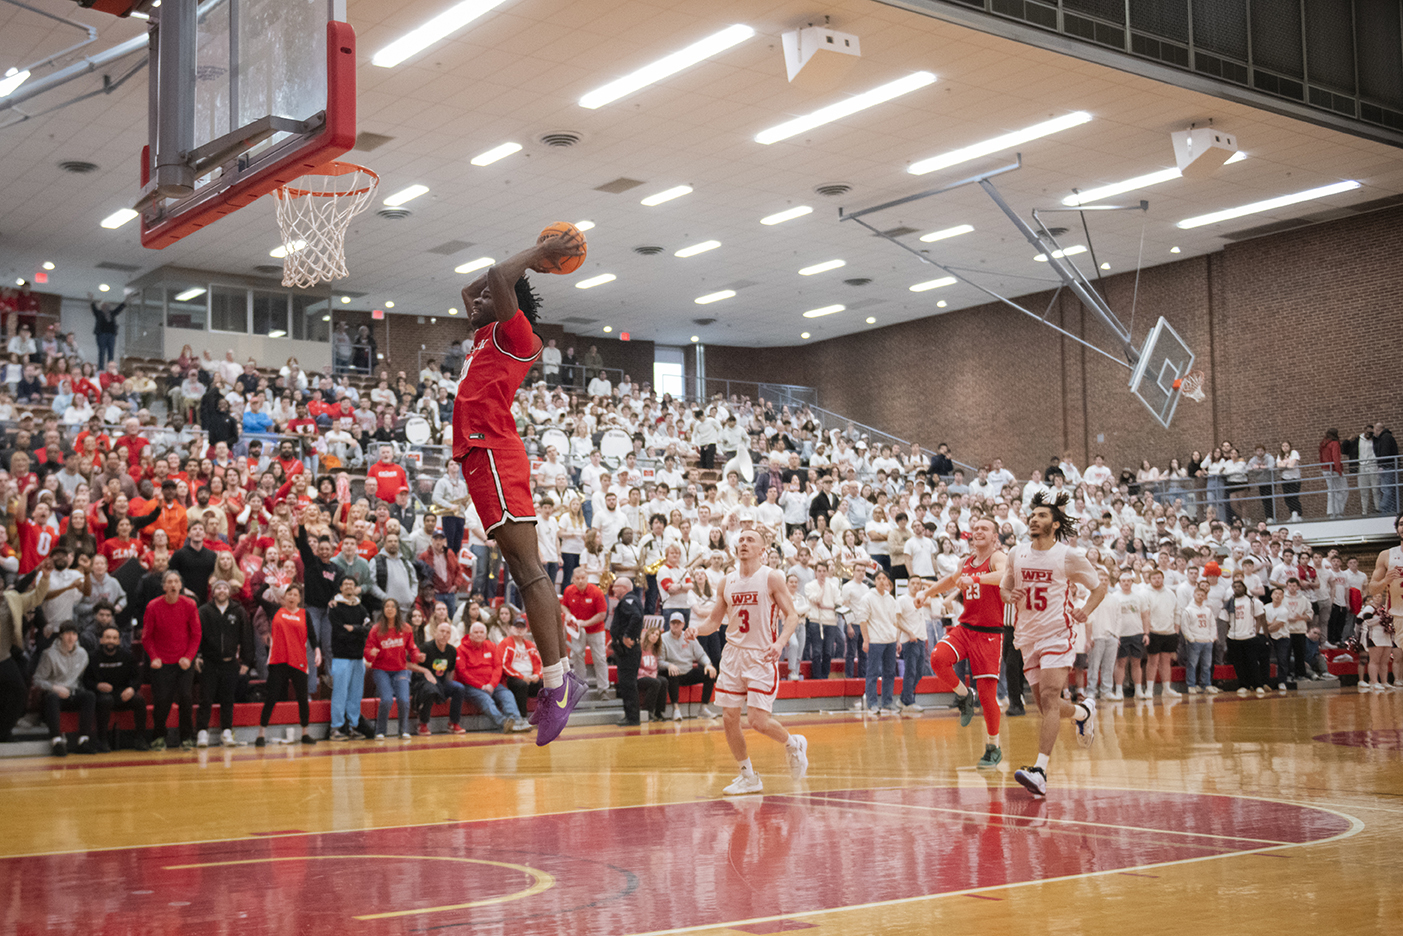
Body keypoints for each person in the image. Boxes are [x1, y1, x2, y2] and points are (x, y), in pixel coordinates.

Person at [451, 231, 586, 745]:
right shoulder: (485, 332)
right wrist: (492, 291)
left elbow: (496, 278)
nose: (477, 300)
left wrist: (541, 253)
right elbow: (475, 289)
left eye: (489, 298)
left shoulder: (518, 335)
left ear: (507, 304)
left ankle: (557, 684)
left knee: (530, 574)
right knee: (521, 571)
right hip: (480, 455)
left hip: (494, 451)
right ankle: (561, 679)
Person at [689, 528, 808, 795]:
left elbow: (792, 616)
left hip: (761, 654)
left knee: (757, 721)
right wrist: (696, 629)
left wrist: (779, 644)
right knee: (729, 717)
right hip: (732, 656)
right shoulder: (726, 581)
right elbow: (713, 621)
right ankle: (748, 776)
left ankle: (793, 743)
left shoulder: (771, 577)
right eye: (740, 539)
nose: (743, 543)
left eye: (750, 540)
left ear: (762, 550)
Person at [1001, 492, 1105, 798]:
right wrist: (1008, 595)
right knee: (1045, 705)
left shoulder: (1068, 556)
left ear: (1055, 524)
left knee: (1048, 694)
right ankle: (1083, 713)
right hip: (1027, 636)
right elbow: (1007, 583)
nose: (1035, 519)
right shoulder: (1016, 553)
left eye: (1042, 516)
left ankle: (1040, 771)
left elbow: (1098, 588)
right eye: (1032, 515)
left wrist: (1086, 610)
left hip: (1058, 632)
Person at [912, 516, 1008, 768]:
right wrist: (926, 592)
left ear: (994, 536)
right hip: (966, 628)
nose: (978, 531)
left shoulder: (997, 557)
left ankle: (993, 747)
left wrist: (975, 580)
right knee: (938, 658)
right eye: (975, 528)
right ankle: (965, 696)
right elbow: (953, 579)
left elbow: (1005, 575)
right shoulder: (965, 561)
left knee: (988, 697)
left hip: (990, 633)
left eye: (985, 528)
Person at [143, 569, 201, 751]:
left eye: (176, 581)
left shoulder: (190, 604)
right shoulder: (153, 606)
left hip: (183, 661)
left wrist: (189, 657)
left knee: (185, 698)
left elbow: (196, 635)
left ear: (181, 585)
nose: (173, 585)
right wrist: (154, 657)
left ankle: (187, 737)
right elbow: (146, 637)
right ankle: (159, 736)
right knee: (162, 701)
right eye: (169, 582)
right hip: (161, 662)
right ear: (164, 586)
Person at [255, 583, 318, 747]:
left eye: (295, 594)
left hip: (298, 660)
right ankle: (261, 734)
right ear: (284, 597)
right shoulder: (275, 610)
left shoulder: (305, 614)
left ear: (299, 599)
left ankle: (305, 733)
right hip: (278, 660)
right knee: (272, 697)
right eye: (289, 594)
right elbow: (257, 597)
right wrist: (267, 585)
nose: (292, 597)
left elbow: (312, 636)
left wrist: (317, 651)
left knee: (303, 698)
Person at [455, 620, 529, 732]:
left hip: (493, 684)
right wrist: (481, 686)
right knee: (486, 700)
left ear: (485, 635)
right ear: (470, 634)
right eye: (476, 632)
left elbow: (498, 667)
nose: (479, 634)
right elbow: (462, 672)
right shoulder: (461, 649)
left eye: (481, 632)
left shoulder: (491, 646)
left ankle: (516, 721)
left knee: (507, 695)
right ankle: (504, 723)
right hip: (472, 687)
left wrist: (491, 684)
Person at [35, 621, 95, 756]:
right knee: (52, 698)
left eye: (74, 634)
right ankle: (56, 740)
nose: (71, 637)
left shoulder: (83, 654)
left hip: (72, 693)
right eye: (67, 633)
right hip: (54, 695)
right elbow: (37, 680)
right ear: (61, 635)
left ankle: (84, 739)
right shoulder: (49, 654)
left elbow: (81, 678)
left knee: (89, 696)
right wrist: (54, 687)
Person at [87, 621, 145, 751]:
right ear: (101, 640)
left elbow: (137, 677)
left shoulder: (127, 656)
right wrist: (97, 685)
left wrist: (131, 689)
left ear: (119, 641)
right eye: (107, 637)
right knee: (106, 700)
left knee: (139, 700)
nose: (111, 641)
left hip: (122, 694)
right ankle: (102, 740)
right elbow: (86, 681)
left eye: (114, 638)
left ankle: (140, 739)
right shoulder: (93, 657)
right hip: (102, 696)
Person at [328, 574, 372, 740]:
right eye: (345, 584)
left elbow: (368, 629)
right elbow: (339, 633)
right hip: (341, 657)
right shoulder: (334, 608)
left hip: (358, 658)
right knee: (339, 694)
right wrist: (358, 631)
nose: (348, 587)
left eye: (351, 584)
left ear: (355, 588)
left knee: (356, 694)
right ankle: (336, 728)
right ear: (340, 588)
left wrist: (353, 629)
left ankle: (353, 727)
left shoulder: (361, 608)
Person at [660, 611, 718, 719]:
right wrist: (669, 665)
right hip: (673, 672)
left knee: (710, 673)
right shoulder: (663, 638)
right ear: (669, 624)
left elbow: (701, 654)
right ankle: (676, 710)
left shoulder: (689, 637)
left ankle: (703, 708)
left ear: (683, 624)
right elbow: (659, 661)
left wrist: (707, 664)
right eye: (673, 623)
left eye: (678, 623)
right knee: (672, 673)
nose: (676, 625)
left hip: (688, 671)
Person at [561, 566, 609, 695]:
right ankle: (580, 686)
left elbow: (602, 615)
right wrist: (568, 614)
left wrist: (585, 623)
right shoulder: (568, 590)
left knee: (599, 658)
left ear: (587, 578)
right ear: (573, 579)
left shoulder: (597, 592)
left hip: (596, 630)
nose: (581, 581)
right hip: (577, 630)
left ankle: (603, 689)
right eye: (578, 578)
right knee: (577, 656)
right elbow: (564, 605)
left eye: (583, 578)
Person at [415, 619, 467, 735]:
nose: (444, 634)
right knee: (431, 689)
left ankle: (453, 723)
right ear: (435, 633)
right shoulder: (426, 648)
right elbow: (413, 666)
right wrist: (426, 672)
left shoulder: (452, 650)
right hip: (424, 682)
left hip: (442, 681)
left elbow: (450, 671)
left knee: (459, 688)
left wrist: (447, 688)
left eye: (447, 632)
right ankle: (423, 724)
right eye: (442, 631)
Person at [1222, 577, 1267, 696]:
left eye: (1239, 586)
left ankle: (1257, 685)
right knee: (1238, 664)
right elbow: (1226, 621)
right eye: (1235, 587)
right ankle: (1243, 685)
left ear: (1244, 588)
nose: (1237, 588)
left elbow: (1260, 618)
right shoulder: (1229, 602)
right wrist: (1228, 634)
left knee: (1252, 662)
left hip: (1249, 637)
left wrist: (1256, 633)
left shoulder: (1253, 601)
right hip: (1234, 637)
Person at [610, 575, 645, 726]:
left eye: (616, 586)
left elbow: (636, 617)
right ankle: (631, 716)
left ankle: (632, 717)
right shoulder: (631, 600)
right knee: (627, 683)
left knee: (628, 683)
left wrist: (627, 636)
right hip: (625, 649)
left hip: (628, 650)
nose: (613, 589)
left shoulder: (628, 600)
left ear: (624, 588)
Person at [500, 617, 544, 720]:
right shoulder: (506, 643)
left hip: (530, 677)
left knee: (545, 684)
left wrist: (537, 675)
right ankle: (522, 717)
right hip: (512, 679)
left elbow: (538, 663)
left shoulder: (530, 644)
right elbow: (504, 665)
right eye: (517, 627)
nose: (519, 629)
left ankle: (545, 716)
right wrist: (521, 676)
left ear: (526, 629)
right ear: (512, 628)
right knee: (521, 685)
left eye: (522, 627)